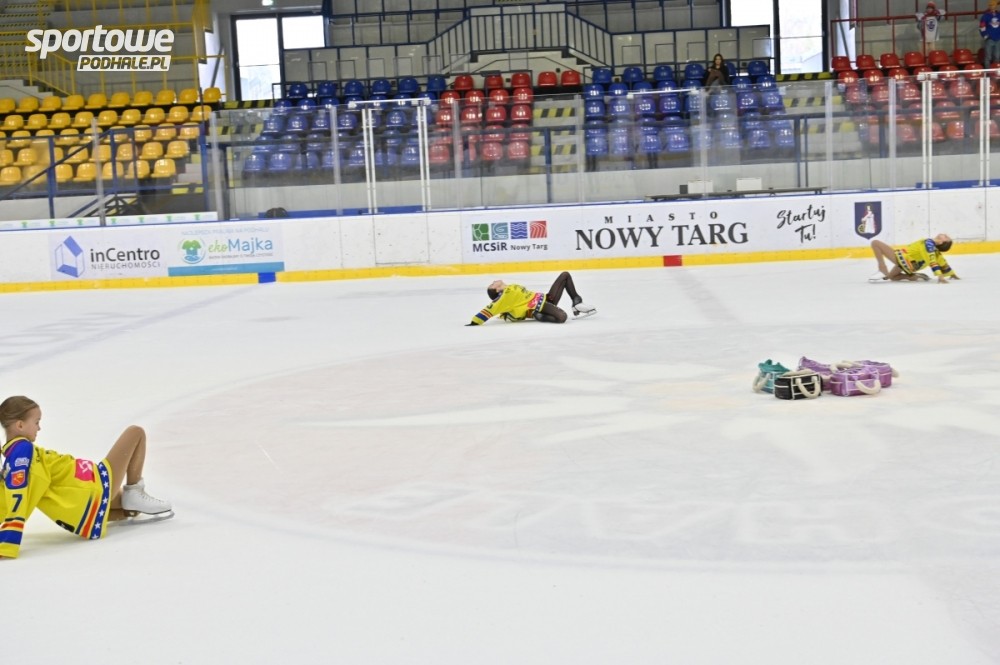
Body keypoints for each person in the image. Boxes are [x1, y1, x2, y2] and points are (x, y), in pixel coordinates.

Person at [0, 395, 173, 559]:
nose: (39, 428)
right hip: (94, 486)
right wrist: (6, 544)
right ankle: (134, 491)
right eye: (36, 422)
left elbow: (6, 498)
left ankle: (131, 500)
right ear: (20, 425)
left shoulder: (13, 458)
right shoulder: (23, 452)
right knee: (135, 432)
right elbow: (18, 496)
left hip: (84, 509)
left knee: (131, 509)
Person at [467, 271, 596, 325]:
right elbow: (491, 308)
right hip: (537, 307)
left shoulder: (510, 287)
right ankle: (540, 316)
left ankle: (576, 302)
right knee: (562, 317)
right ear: (497, 290)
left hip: (545, 299)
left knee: (565, 275)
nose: (493, 281)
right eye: (492, 284)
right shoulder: (504, 297)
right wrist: (475, 321)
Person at [869, 234, 960, 283]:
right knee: (892, 277)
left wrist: (940, 276)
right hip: (911, 266)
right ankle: (913, 277)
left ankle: (882, 269)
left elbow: (933, 261)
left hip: (904, 259)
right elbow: (942, 261)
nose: (945, 234)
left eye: (946, 237)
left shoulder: (929, 244)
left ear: (940, 242)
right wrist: (952, 274)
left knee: (875, 243)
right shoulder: (935, 250)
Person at [980, 0, 1000, 67]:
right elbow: (982, 27)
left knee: (997, 56)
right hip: (989, 39)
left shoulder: (999, 15)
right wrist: (985, 35)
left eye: (995, 5)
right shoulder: (985, 16)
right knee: (988, 57)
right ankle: (987, 72)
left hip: (998, 39)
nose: (994, 6)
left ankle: (996, 70)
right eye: (992, 5)